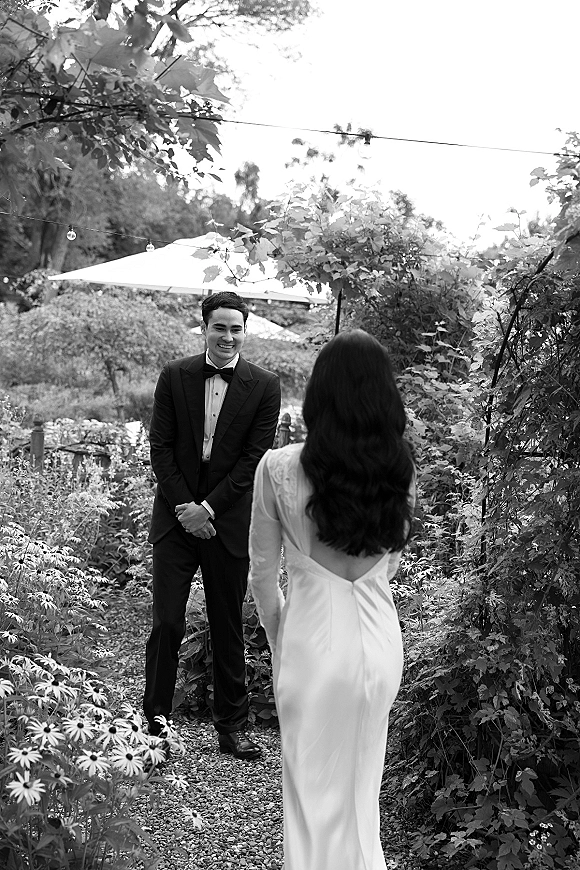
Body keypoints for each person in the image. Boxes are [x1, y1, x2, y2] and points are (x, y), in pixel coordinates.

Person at [248, 329, 415, 869]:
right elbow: (388, 558)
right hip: (379, 638)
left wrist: (281, 641)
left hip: (311, 644)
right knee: (361, 792)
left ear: (318, 395)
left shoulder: (277, 467)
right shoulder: (400, 470)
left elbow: (260, 575)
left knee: (309, 797)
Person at [144, 290, 281, 760]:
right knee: (166, 623)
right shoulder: (174, 376)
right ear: (204, 328)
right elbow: (159, 448)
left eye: (236, 328)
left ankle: (232, 726)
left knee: (228, 625)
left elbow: (254, 459)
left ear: (246, 331)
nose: (227, 336)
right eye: (219, 327)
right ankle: (155, 728)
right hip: (175, 519)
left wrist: (209, 509)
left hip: (226, 520)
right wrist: (187, 507)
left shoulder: (265, 386)